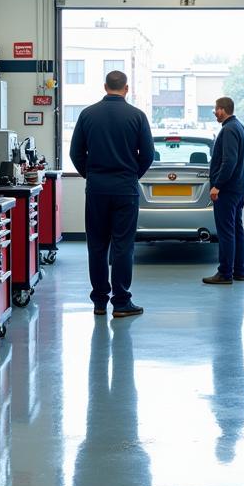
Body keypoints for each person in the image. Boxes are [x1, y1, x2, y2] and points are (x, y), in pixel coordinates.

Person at [70, 70, 155, 317]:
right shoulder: (137, 116)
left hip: (96, 190)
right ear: (126, 88)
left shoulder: (87, 114)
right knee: (122, 246)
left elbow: (76, 153)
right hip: (125, 190)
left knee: (96, 246)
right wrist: (130, 176)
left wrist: (92, 176)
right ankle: (121, 302)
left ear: (105, 86)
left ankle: (98, 302)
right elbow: (148, 155)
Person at [202, 96, 244, 285]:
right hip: (238, 188)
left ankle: (225, 273)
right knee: (237, 230)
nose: (215, 112)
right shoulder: (239, 127)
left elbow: (229, 161)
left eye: (216, 109)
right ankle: (239, 271)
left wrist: (217, 185)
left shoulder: (229, 129)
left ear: (223, 109)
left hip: (228, 190)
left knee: (226, 232)